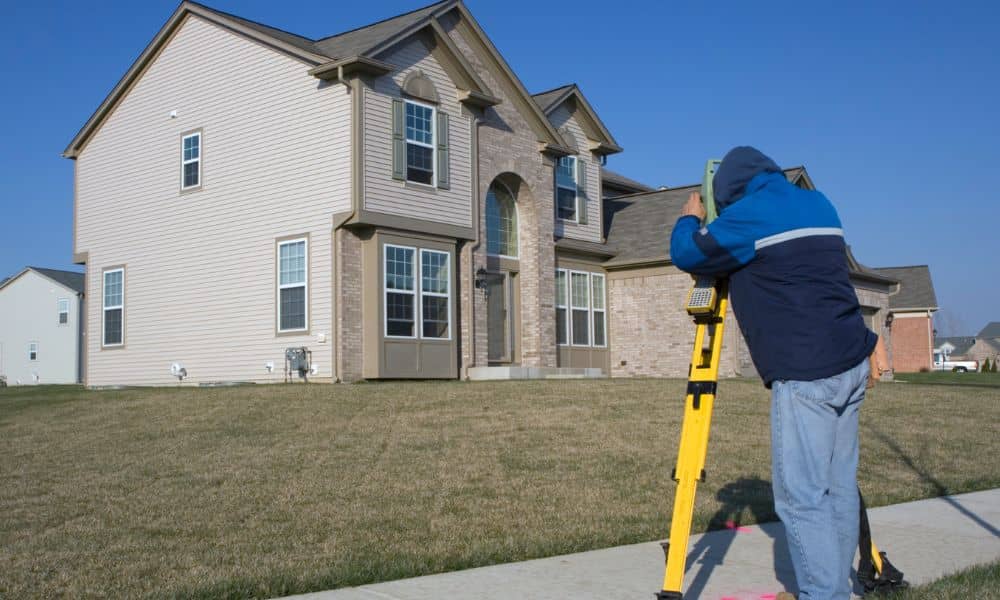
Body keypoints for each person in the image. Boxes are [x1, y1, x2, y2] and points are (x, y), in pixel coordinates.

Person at [669, 146, 877, 600]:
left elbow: (688, 253)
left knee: (801, 498)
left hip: (807, 375)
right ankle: (834, 586)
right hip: (852, 362)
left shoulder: (749, 217)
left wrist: (690, 217)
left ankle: (823, 595)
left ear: (728, 192)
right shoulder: (818, 203)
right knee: (838, 489)